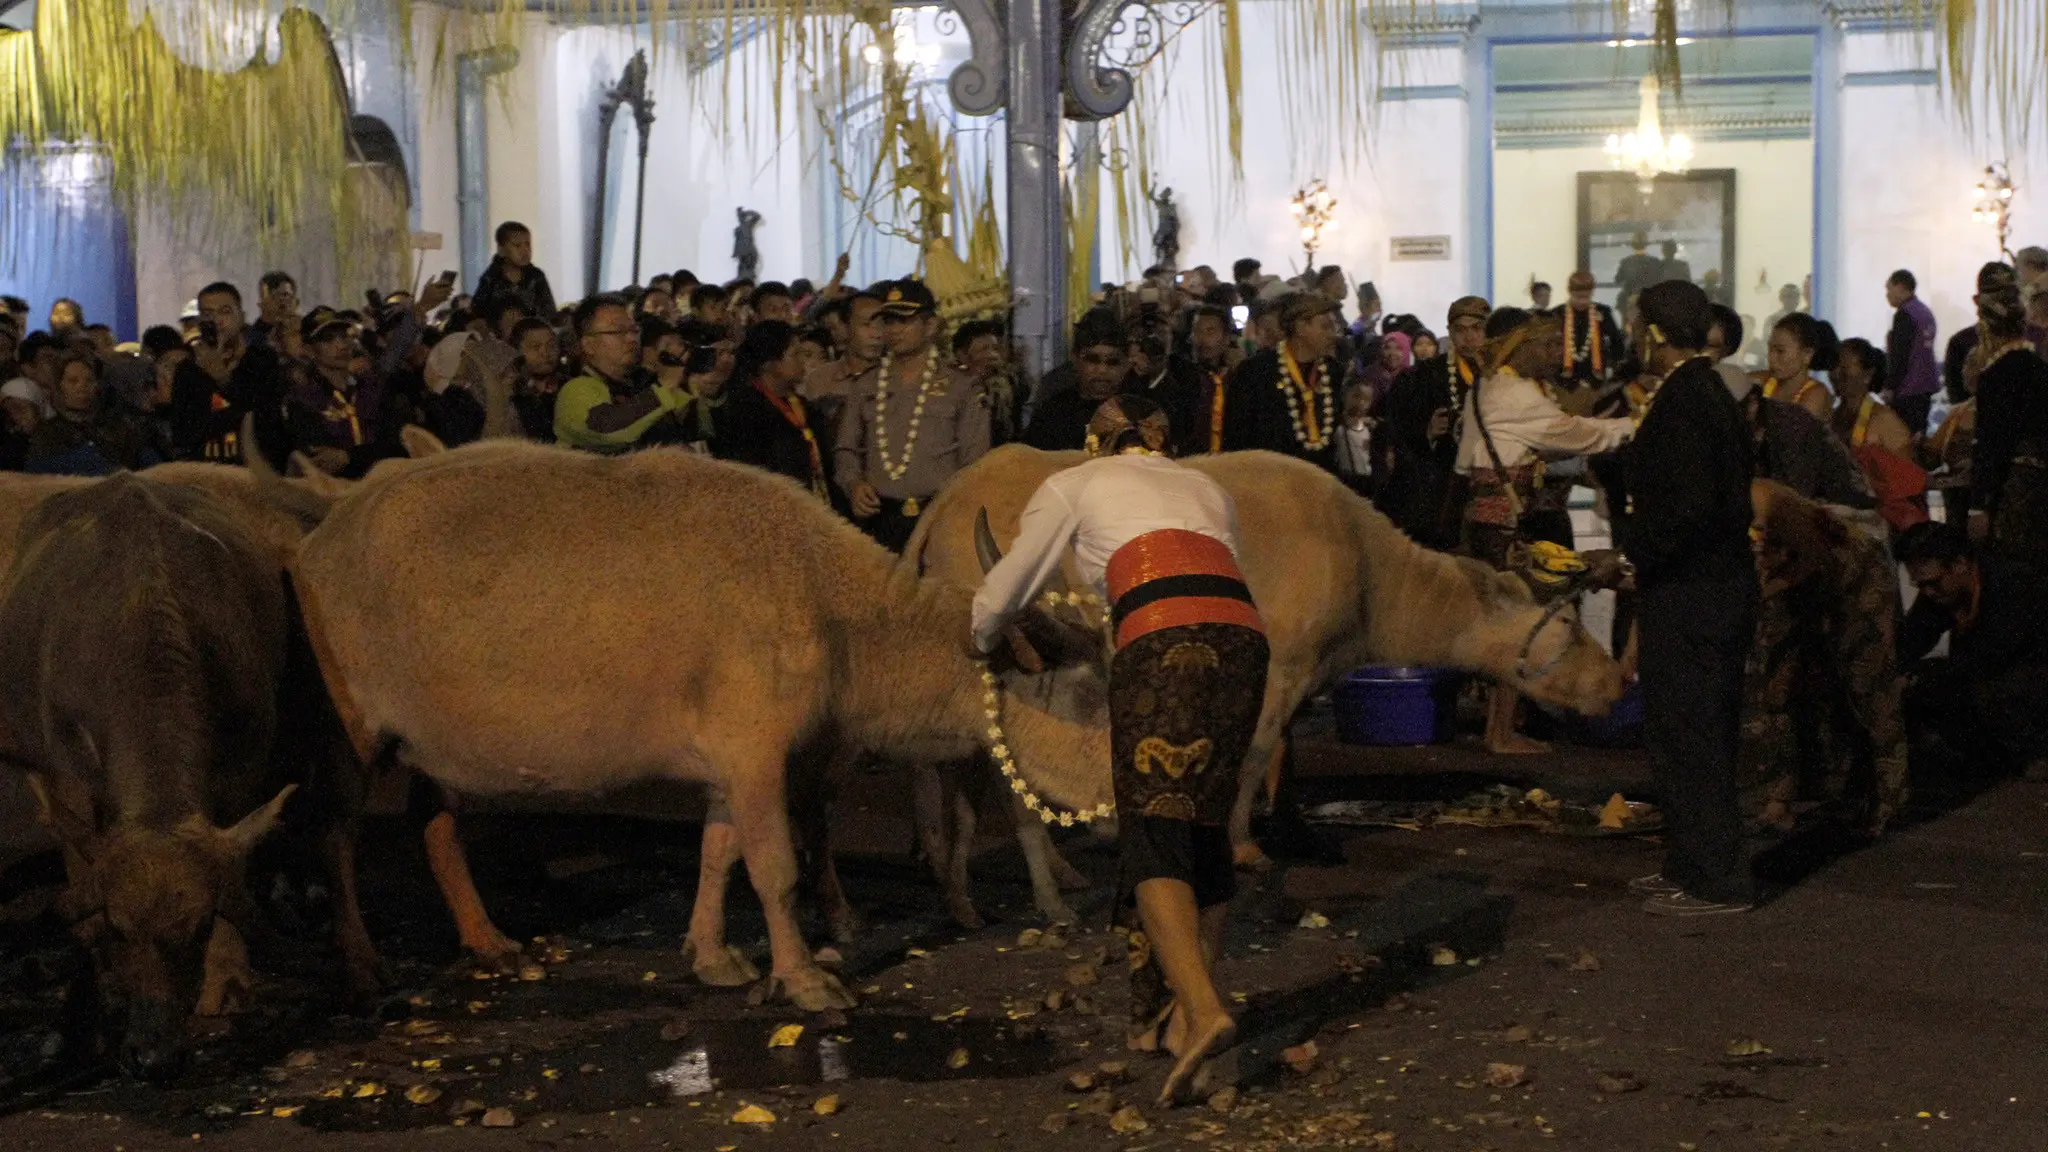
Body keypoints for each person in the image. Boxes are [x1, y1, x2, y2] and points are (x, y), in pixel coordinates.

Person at [971, 395, 1266, 1105]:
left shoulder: (1073, 484)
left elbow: (1009, 586)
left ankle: (1200, 1011)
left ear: (1093, 444)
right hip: (1243, 641)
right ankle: (1175, 1016)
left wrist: (978, 637)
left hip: (1163, 641)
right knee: (1204, 823)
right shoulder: (1206, 486)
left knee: (1153, 825)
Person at [1597, 280, 1758, 916]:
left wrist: (1631, 554)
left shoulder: (1690, 399)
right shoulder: (1695, 392)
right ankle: (1689, 865)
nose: (1634, 337)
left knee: (1695, 736)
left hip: (1697, 594)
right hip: (1691, 589)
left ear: (1656, 333)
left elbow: (1690, 510)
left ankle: (1719, 879)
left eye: (1639, 326)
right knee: (1675, 732)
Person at [1459, 308, 1635, 754]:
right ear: (1523, 346)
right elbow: (1578, 434)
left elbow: (1468, 461)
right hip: (1509, 523)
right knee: (1521, 622)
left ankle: (1503, 725)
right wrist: (1636, 425)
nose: (1559, 353)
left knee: (1510, 620)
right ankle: (1500, 733)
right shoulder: (1517, 395)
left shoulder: (1486, 387)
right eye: (1549, 345)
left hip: (1486, 520)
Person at [1744, 480, 1909, 835]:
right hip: (1786, 580)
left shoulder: (1766, 502)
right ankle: (1780, 800)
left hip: (1851, 573)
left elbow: (1802, 560)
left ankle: (1889, 799)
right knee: (1776, 687)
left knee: (1869, 683)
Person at [835, 279, 991, 551]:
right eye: (888, 321)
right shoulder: (867, 385)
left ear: (930, 326)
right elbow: (846, 447)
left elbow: (975, 462)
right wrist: (854, 483)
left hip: (940, 519)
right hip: (878, 519)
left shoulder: (961, 386)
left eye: (903, 321)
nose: (893, 330)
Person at [1896, 521, 2047, 780]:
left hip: (2030, 674)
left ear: (1959, 564)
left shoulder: (2013, 585)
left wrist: (1920, 676)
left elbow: (1991, 655)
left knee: (1992, 689)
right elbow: (1911, 638)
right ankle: (1985, 758)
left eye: (1933, 583)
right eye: (1920, 586)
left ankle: (2034, 754)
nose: (1928, 593)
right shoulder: (1945, 590)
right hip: (1998, 672)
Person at [1376, 296, 1489, 549]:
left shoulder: (1500, 375)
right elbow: (1397, 427)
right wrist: (1426, 431)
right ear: (1449, 332)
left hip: (1489, 486)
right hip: (1443, 485)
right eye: (1460, 330)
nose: (1469, 338)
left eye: (1476, 329)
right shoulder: (1424, 376)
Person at [1968, 261, 2048, 566]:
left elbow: (1992, 441)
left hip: (2011, 494)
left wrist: (1979, 506)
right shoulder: (2039, 368)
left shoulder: (1996, 374)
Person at [1222, 292, 1344, 472]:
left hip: (1320, 484)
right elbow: (1237, 438)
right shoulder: (1257, 372)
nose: (1333, 335)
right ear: (1301, 327)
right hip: (1268, 481)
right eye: (1325, 327)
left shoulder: (1333, 372)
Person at [553, 294, 690, 453]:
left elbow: (696, 432)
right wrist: (665, 387)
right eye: (618, 330)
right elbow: (605, 429)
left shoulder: (640, 385)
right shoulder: (575, 390)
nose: (632, 338)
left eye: (634, 329)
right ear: (588, 345)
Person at [171, 281, 288, 465]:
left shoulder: (263, 361)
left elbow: (266, 422)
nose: (217, 321)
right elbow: (184, 435)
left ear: (241, 317)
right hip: (206, 476)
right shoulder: (189, 370)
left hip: (255, 472)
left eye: (225, 311)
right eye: (208, 314)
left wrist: (223, 379)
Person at [715, 321, 831, 498]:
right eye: (795, 354)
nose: (803, 361)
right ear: (768, 364)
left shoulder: (802, 404)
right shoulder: (745, 411)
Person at [1830, 337, 1927, 532]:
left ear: (1868, 374)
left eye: (1845, 366)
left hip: (1880, 525)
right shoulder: (1831, 416)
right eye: (1833, 366)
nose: (1836, 373)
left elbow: (1909, 484)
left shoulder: (1884, 419)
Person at [24, 352, 156, 475]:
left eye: (89, 380)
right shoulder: (48, 432)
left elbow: (147, 461)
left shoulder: (118, 425)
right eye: (73, 381)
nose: (82, 388)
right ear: (60, 386)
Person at [1024, 310, 1133, 452]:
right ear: (1075, 359)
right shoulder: (1052, 414)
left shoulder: (1140, 413)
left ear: (1126, 365)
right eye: (1092, 360)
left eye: (1113, 362)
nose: (1102, 370)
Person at [802, 288, 882, 440]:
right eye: (866, 324)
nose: (876, 334)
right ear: (845, 327)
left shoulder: (900, 379)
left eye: (881, 325)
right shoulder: (820, 380)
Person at [1882, 270, 1941, 435]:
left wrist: (1890, 387)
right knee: (1919, 435)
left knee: (1903, 436)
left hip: (1908, 388)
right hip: (1926, 385)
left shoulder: (1905, 314)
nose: (1887, 295)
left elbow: (1900, 355)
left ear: (1900, 287)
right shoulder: (1925, 312)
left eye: (1889, 289)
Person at [1183, 305, 1244, 456]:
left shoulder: (1241, 377)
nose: (1202, 339)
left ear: (1227, 337)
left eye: (1210, 331)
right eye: (1197, 331)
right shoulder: (1184, 375)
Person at [1754, 312, 1836, 423]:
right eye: (1770, 350)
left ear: (1807, 354)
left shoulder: (1817, 394)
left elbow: (1793, 435)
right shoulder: (1761, 381)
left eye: (1780, 351)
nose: (1771, 358)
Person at [473, 221, 558, 318]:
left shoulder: (536, 277)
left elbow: (549, 311)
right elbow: (478, 313)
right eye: (517, 246)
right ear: (501, 250)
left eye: (528, 244)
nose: (525, 251)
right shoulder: (490, 278)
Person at [1558, 270, 1624, 388]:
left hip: (1596, 379)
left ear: (1592, 292)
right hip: (1563, 379)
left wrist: (1611, 367)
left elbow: (1617, 342)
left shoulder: (1603, 311)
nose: (1582, 301)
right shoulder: (1558, 313)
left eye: (1586, 297)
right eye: (1578, 297)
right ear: (1569, 292)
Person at [508, 317, 565, 442]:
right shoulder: (511, 394)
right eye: (535, 346)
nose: (545, 353)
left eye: (551, 345)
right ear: (516, 351)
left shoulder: (568, 386)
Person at [1614, 232, 1662, 314]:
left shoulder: (1626, 262)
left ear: (1633, 245)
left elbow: (1617, 280)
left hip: (1631, 299)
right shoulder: (1655, 261)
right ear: (1646, 244)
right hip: (1649, 299)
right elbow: (1659, 280)